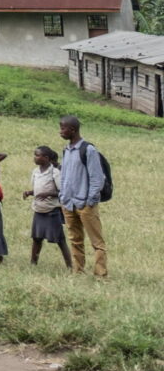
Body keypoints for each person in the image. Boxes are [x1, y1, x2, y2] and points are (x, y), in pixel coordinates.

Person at [57, 115, 109, 277]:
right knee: (75, 240)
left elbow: (97, 178)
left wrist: (90, 201)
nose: (60, 132)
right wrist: (63, 197)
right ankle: (78, 271)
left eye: (63, 128)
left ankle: (101, 274)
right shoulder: (66, 150)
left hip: (85, 204)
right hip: (68, 203)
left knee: (97, 242)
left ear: (73, 130)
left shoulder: (88, 150)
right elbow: (64, 175)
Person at [24, 145, 70, 268]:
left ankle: (70, 265)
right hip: (39, 209)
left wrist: (48, 193)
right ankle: (33, 263)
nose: (35, 157)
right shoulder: (35, 172)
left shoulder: (55, 173)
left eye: (37, 155)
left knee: (60, 240)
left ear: (46, 158)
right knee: (36, 238)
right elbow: (37, 190)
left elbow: (63, 192)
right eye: (35, 155)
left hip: (51, 211)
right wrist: (29, 193)